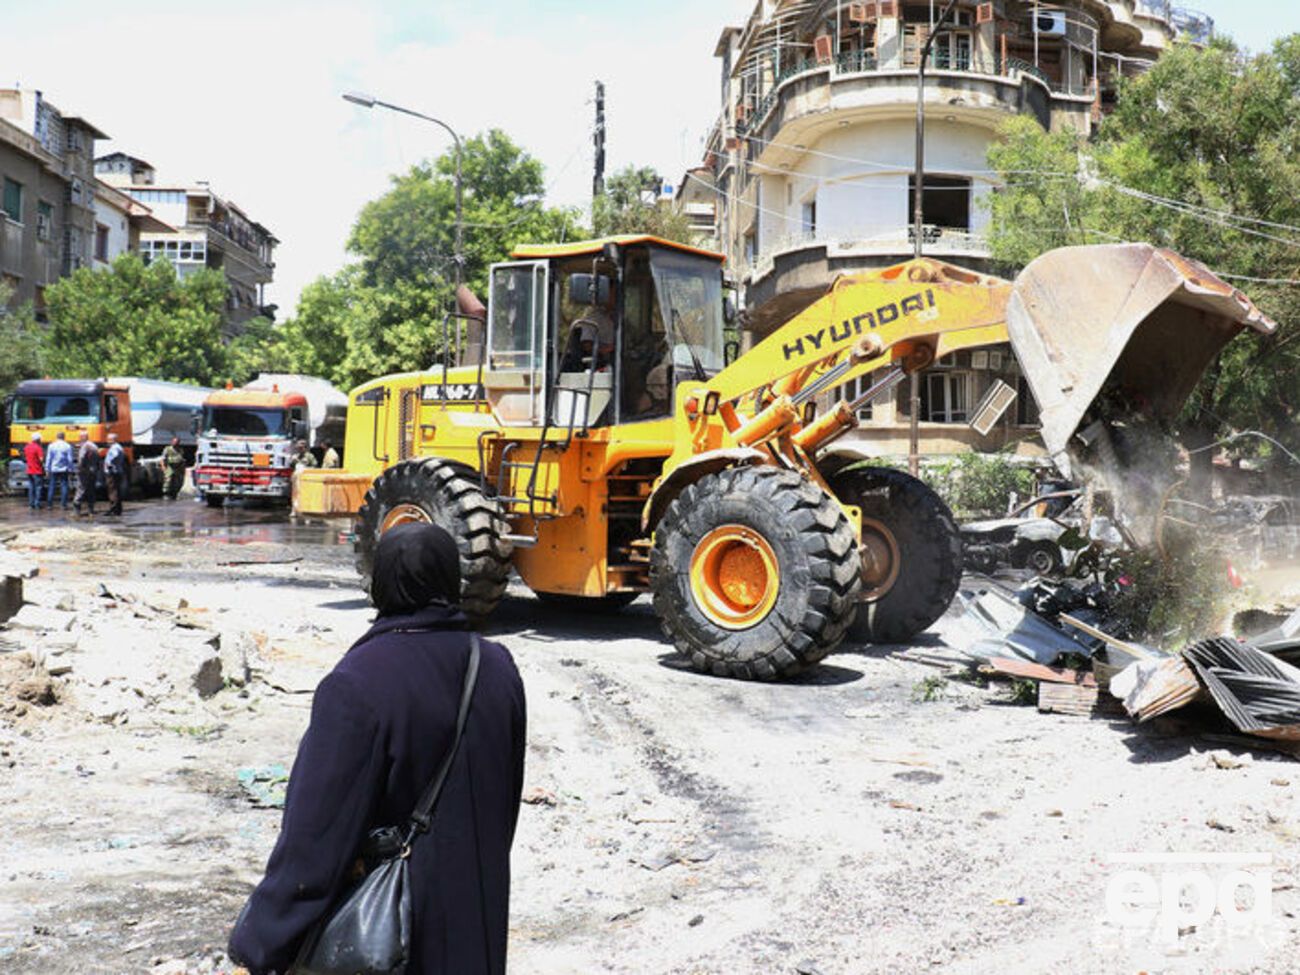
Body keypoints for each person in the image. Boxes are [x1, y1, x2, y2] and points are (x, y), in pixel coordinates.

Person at [228, 523, 526, 975]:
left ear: (379, 584)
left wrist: (261, 940)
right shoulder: (497, 667)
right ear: (451, 579)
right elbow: (503, 801)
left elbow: (316, 837)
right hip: (478, 913)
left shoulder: (358, 683)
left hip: (398, 934)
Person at [45, 431, 74, 510]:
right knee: (64, 486)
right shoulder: (67, 446)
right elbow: (70, 459)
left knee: (52, 486)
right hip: (64, 469)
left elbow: (48, 458)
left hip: (54, 469)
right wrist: (71, 469)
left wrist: (47, 469)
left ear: (57, 437)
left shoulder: (51, 446)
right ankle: (63, 505)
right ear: (64, 437)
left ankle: (49, 505)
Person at [103, 433, 127, 516]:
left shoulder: (115, 447)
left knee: (113, 491)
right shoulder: (118, 447)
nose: (107, 441)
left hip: (112, 472)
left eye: (108, 439)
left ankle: (114, 509)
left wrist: (109, 463)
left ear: (112, 440)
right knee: (116, 490)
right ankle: (117, 509)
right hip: (116, 471)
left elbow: (114, 455)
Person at [74, 432, 98, 516]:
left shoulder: (84, 446)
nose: (79, 439)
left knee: (81, 489)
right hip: (93, 471)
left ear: (82, 437)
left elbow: (81, 458)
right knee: (91, 490)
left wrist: (79, 468)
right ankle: (91, 510)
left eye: (80, 437)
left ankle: (77, 511)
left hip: (84, 471)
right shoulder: (94, 446)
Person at [23, 433, 45, 510]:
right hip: (37, 470)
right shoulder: (38, 448)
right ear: (38, 439)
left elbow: (26, 457)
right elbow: (41, 459)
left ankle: (31, 504)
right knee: (38, 487)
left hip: (29, 470)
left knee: (31, 488)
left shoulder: (26, 447)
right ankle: (37, 504)